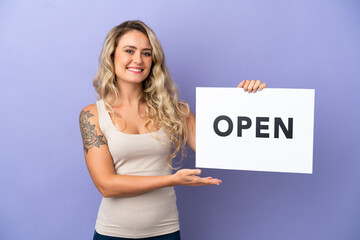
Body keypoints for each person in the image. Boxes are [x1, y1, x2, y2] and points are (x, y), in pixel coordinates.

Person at [79, 20, 266, 240]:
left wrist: (244, 103)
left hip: (165, 231)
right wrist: (172, 180)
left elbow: (218, 149)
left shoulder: (175, 110)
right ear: (112, 56)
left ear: (153, 61)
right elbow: (107, 185)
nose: (138, 59)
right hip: (112, 233)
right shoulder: (92, 115)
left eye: (146, 53)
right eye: (129, 50)